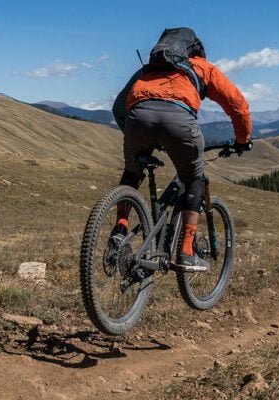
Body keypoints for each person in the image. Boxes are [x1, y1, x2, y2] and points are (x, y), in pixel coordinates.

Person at [112, 27, 252, 271]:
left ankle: (120, 227)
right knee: (194, 180)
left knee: (132, 174)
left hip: (137, 119)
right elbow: (237, 105)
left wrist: (138, 136)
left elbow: (117, 107)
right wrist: (242, 139)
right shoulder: (201, 66)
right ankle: (186, 251)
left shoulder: (148, 69)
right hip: (180, 124)